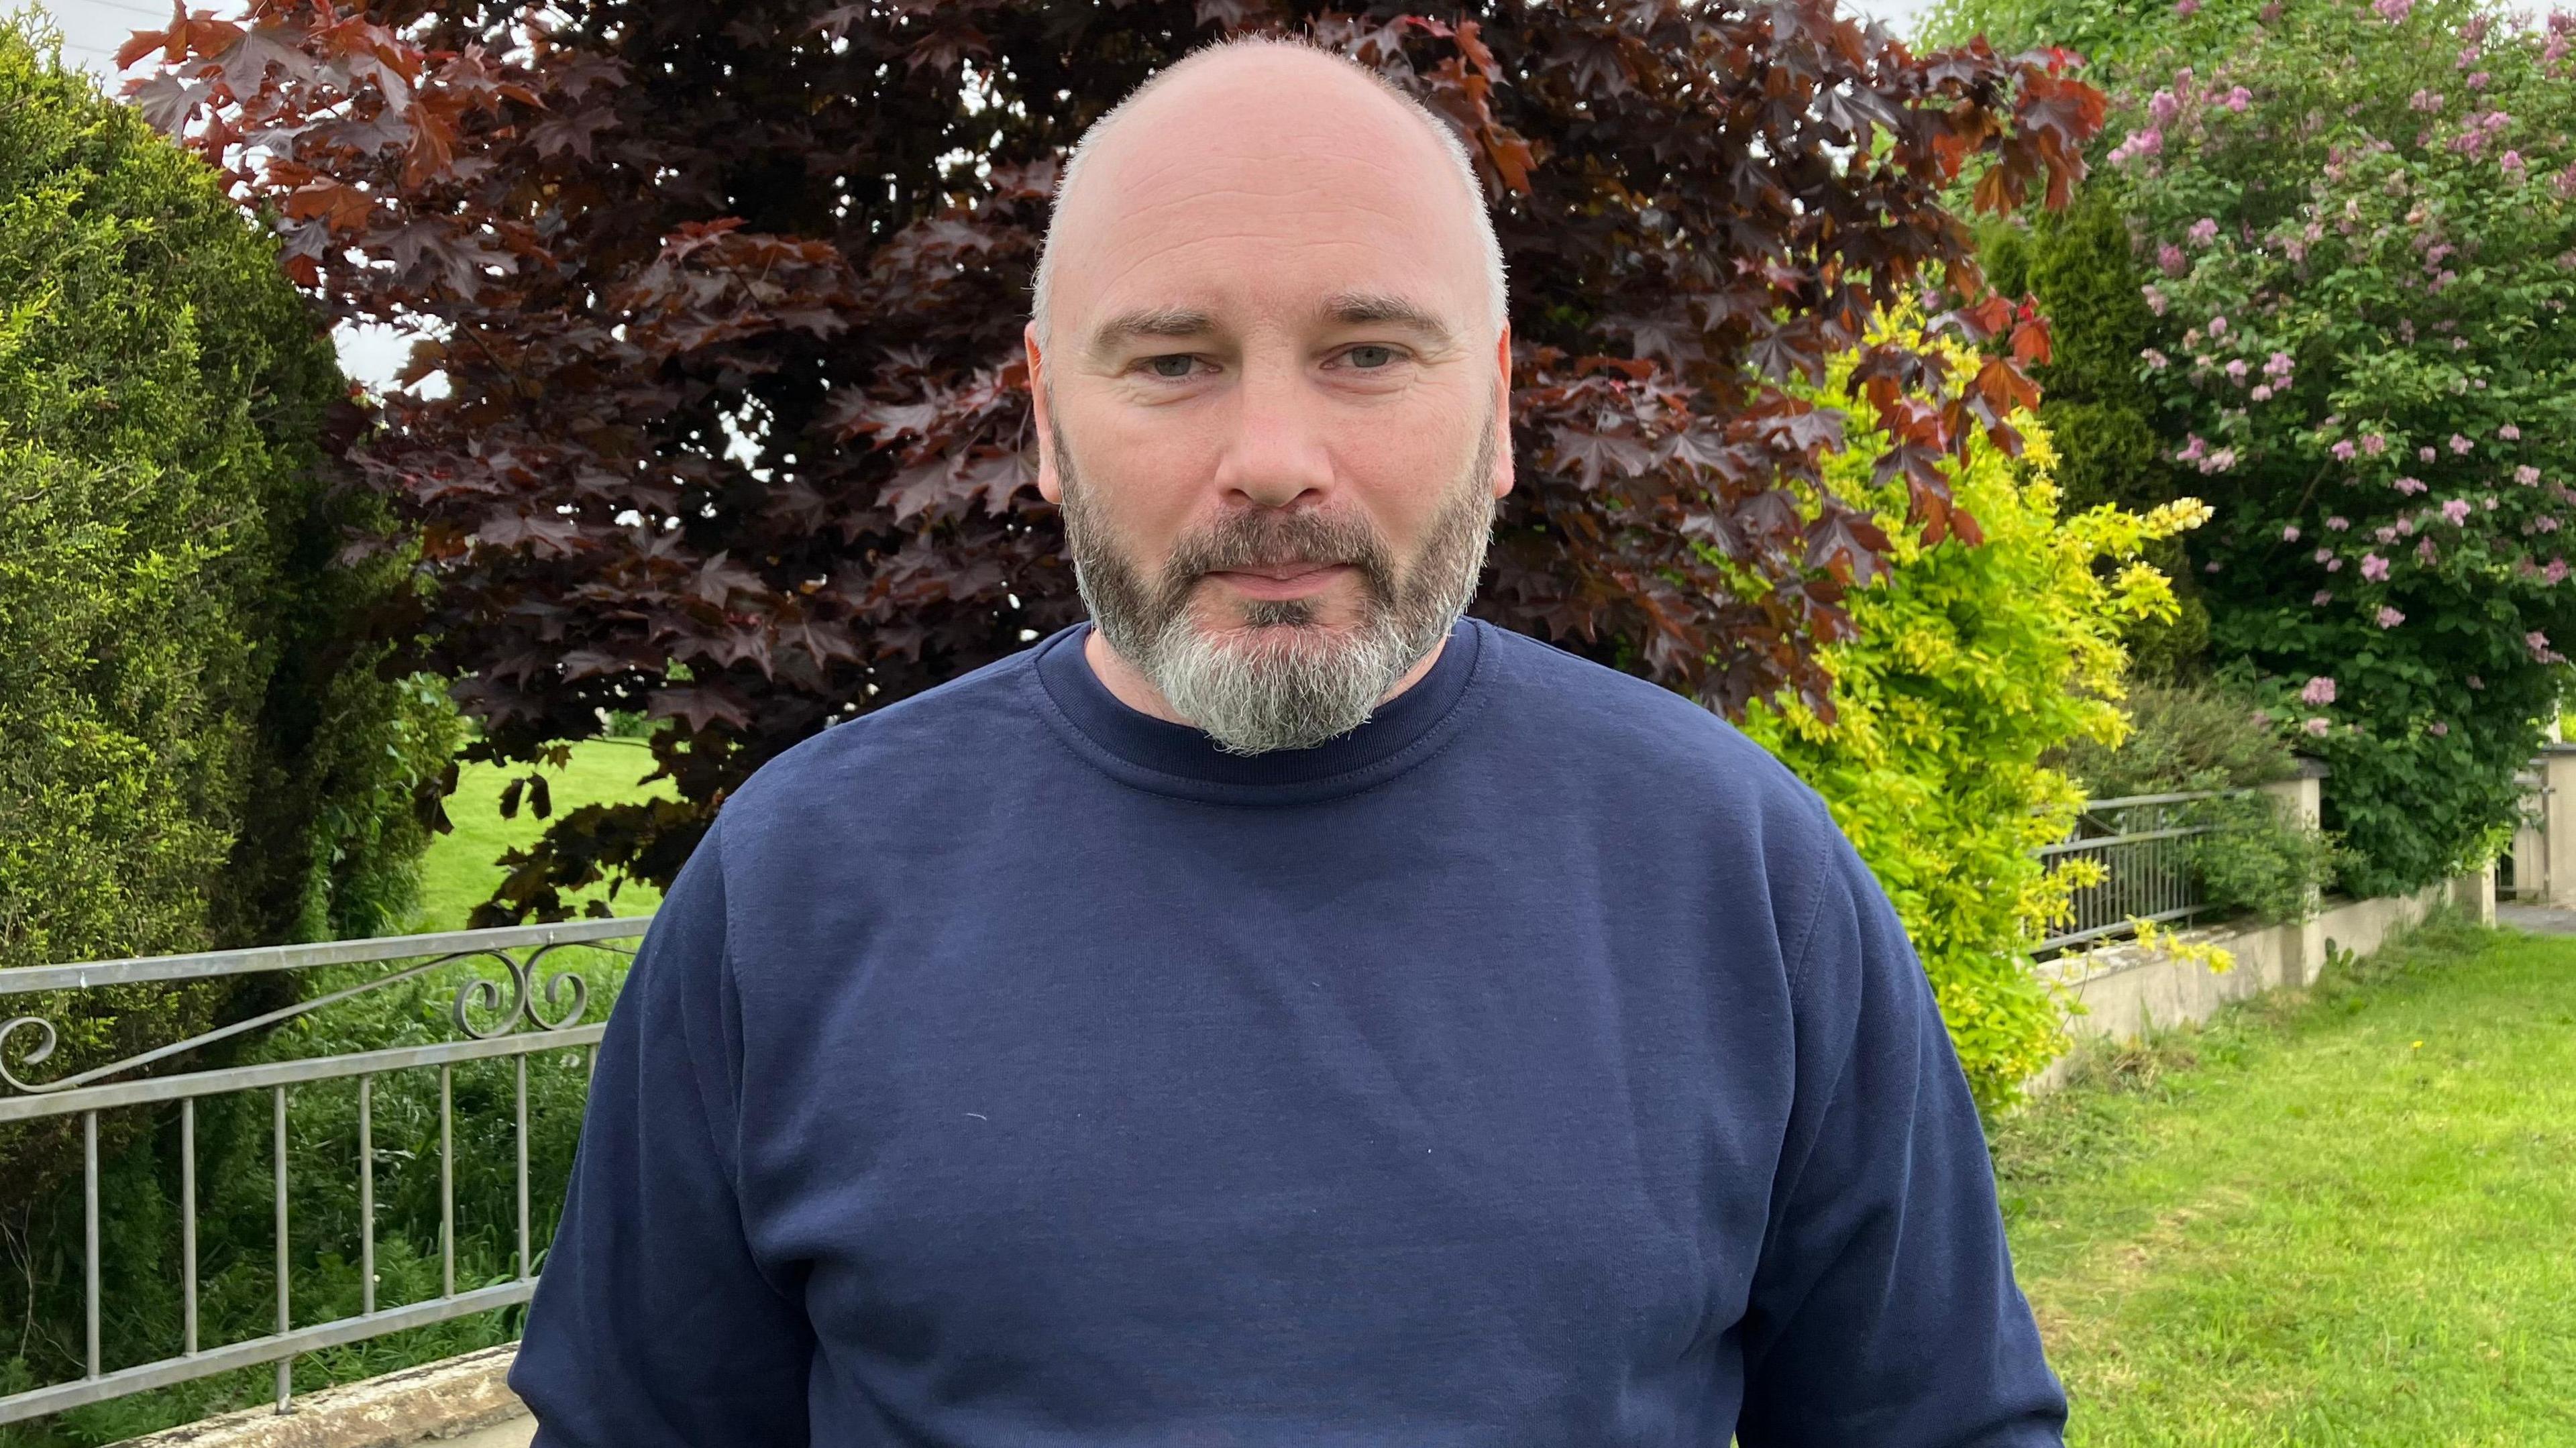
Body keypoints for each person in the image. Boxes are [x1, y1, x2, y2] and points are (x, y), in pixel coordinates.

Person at [510, 35, 2068, 1447]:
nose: (1271, 463)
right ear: (1049, 420)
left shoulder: (1739, 869)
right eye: (1174, 362)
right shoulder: (794, 884)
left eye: (1370, 352)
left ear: (1503, 409)